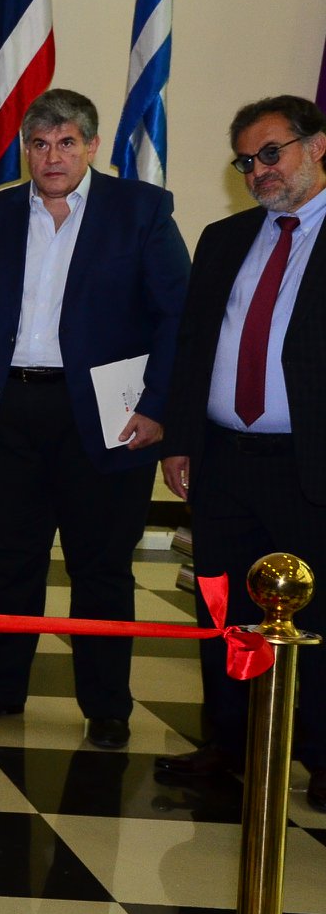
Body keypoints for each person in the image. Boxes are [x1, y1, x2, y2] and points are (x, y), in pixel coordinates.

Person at [0, 89, 189, 749]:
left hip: (106, 414)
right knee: (9, 561)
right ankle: (0, 687)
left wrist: (159, 406)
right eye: (40, 144)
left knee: (101, 566)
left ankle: (107, 706)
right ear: (26, 149)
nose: (53, 157)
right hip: (4, 410)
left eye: (67, 143)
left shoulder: (141, 211)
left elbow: (178, 316)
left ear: (92, 147)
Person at [157, 95, 326, 808]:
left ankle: (322, 755)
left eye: (271, 153)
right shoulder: (225, 239)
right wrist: (180, 439)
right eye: (246, 161)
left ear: (316, 146)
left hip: (308, 464)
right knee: (222, 606)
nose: (259, 171)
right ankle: (227, 741)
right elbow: (194, 346)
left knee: (318, 613)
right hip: (224, 461)